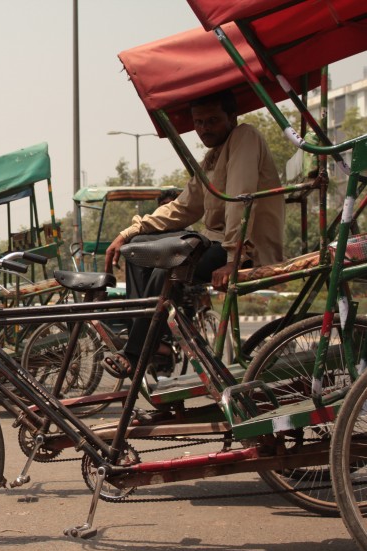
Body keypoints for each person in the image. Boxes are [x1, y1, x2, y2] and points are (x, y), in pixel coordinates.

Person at [104, 90, 285, 375]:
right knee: (137, 248)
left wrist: (234, 257)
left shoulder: (244, 137)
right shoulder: (212, 160)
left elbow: (241, 198)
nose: (204, 129)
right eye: (199, 122)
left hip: (245, 248)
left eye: (212, 120)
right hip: (217, 244)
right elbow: (182, 208)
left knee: (169, 264)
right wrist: (128, 233)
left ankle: (137, 350)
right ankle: (155, 339)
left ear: (232, 117)